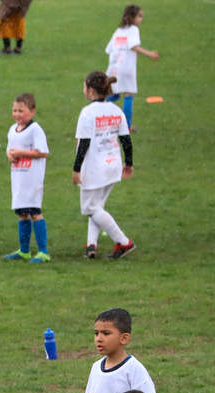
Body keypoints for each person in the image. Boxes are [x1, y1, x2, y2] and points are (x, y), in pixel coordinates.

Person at [73, 71, 136, 260]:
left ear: (91, 90)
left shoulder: (87, 113)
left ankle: (124, 242)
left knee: (91, 208)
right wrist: (129, 163)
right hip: (113, 165)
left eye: (84, 86)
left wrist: (76, 169)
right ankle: (91, 245)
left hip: (94, 168)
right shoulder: (116, 111)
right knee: (98, 206)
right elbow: (126, 140)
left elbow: (83, 144)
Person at [3, 92, 50, 262]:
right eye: (14, 110)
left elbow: (42, 152)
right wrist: (10, 155)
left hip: (32, 179)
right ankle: (24, 250)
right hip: (18, 179)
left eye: (21, 111)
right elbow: (10, 149)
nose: (17, 114)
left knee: (35, 212)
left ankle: (43, 252)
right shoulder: (12, 130)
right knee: (22, 213)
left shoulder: (35, 129)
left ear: (32, 111)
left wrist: (21, 153)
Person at [105, 5, 159, 133]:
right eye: (139, 16)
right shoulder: (133, 29)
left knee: (114, 94)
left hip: (113, 67)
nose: (141, 19)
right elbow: (133, 46)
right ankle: (127, 127)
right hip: (126, 68)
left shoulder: (118, 30)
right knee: (128, 94)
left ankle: (98, 110)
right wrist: (150, 54)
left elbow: (108, 49)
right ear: (132, 17)